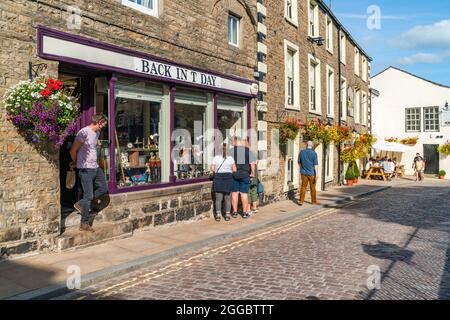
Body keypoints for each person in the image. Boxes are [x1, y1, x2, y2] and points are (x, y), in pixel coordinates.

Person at [70, 113, 109, 232]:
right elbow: (73, 150)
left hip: (95, 167)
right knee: (89, 196)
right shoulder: (83, 132)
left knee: (103, 188)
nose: (104, 126)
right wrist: (76, 162)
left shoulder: (97, 133)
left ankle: (80, 204)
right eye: (104, 123)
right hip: (85, 168)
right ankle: (84, 223)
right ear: (99, 122)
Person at [231, 137, 256, 219]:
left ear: (235, 142)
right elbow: (252, 164)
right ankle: (245, 213)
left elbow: (229, 163)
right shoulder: (248, 151)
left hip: (234, 174)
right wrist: (252, 173)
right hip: (245, 174)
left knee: (234, 193)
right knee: (244, 194)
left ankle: (234, 212)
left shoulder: (231, 151)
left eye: (233, 142)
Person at [210, 144, 235, 222]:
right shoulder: (230, 158)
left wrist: (216, 170)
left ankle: (218, 215)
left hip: (218, 178)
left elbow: (212, 168)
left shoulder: (216, 158)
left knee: (218, 199)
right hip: (228, 178)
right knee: (228, 198)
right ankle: (227, 215)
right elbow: (234, 169)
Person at [298, 141, 319, 206]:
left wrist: (302, 168)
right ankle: (314, 202)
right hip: (312, 173)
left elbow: (299, 162)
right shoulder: (314, 153)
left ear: (306, 145)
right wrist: (317, 174)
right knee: (312, 187)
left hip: (303, 173)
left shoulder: (301, 152)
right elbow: (315, 165)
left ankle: (301, 201)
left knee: (303, 186)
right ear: (312, 145)